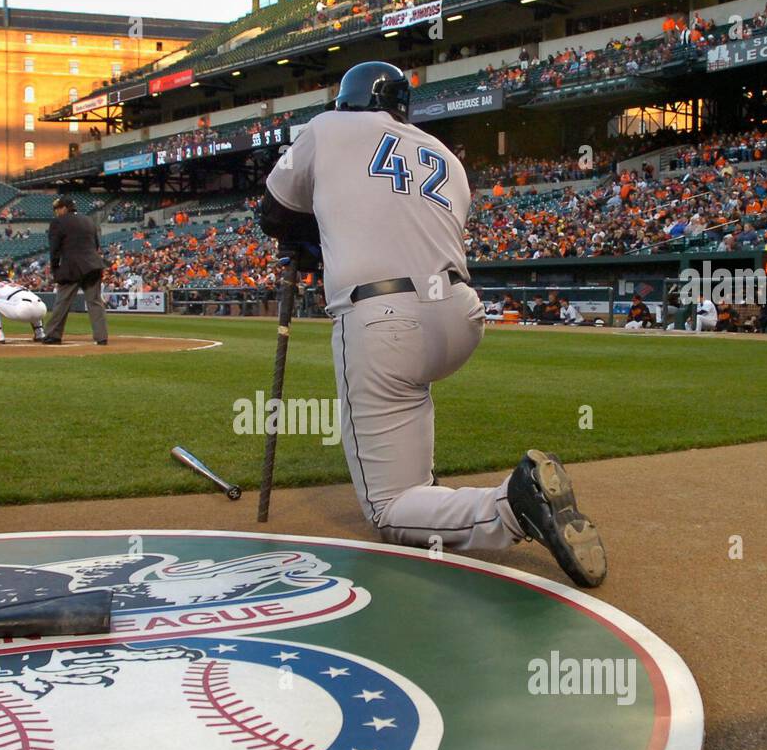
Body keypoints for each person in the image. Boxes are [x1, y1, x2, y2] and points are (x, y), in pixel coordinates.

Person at [258, 61, 606, 587]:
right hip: (459, 315)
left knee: (387, 509)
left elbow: (274, 213)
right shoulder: (446, 157)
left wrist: (310, 243)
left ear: (347, 99)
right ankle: (432, 494)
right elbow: (403, 220)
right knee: (410, 421)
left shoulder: (328, 127)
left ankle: (513, 505)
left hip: (383, 316)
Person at [43, 195, 107, 345]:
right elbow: (96, 245)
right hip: (93, 265)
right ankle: (102, 337)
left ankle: (53, 334)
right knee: (95, 302)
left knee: (63, 302)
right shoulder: (88, 220)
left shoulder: (58, 222)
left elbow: (54, 249)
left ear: (64, 208)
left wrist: (55, 269)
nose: (56, 212)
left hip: (72, 267)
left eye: (57, 209)